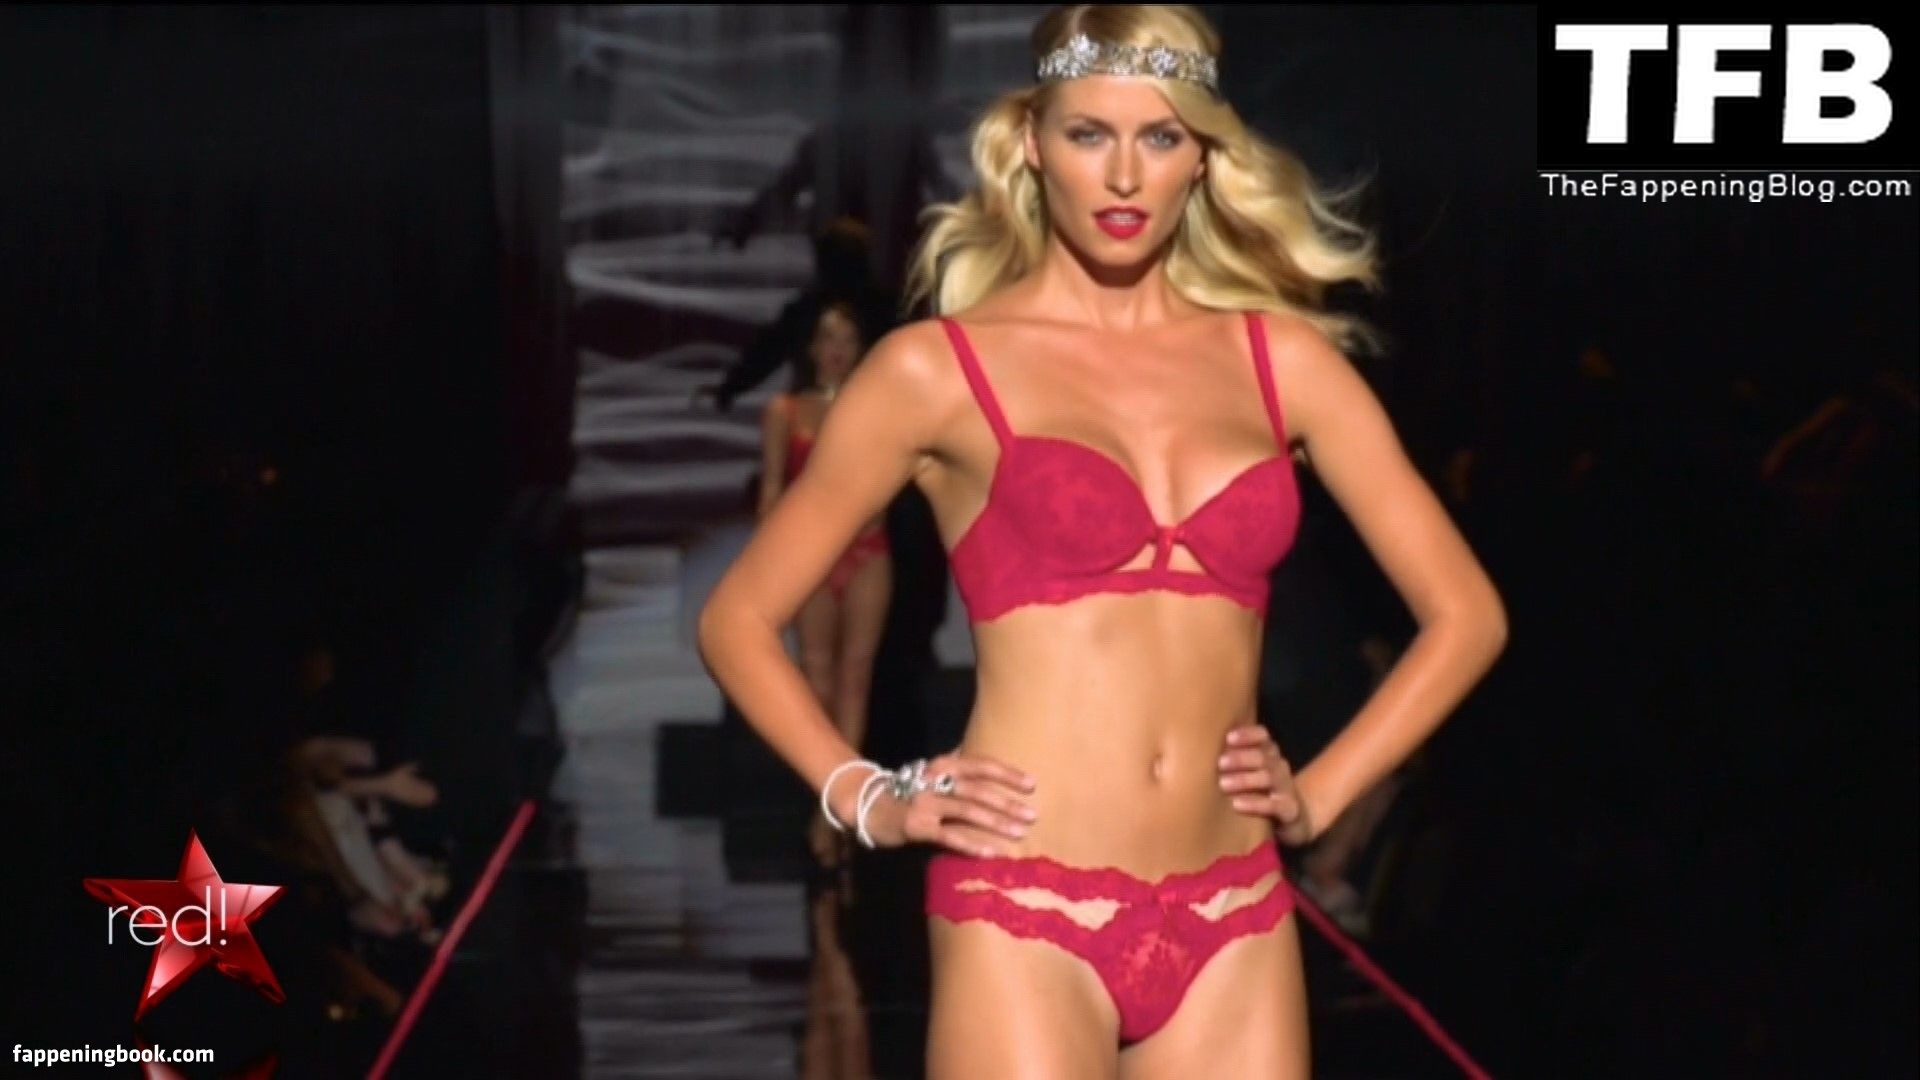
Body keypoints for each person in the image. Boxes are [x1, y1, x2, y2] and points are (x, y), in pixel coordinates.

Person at [697, 6, 1507, 1075]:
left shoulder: (1285, 364)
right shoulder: (937, 371)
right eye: (1090, 134)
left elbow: (1466, 615)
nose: (1124, 175)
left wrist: (1321, 792)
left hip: (1236, 912)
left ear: (1202, 155)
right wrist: (867, 798)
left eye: (1160, 136)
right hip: (1022, 906)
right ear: (1033, 142)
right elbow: (738, 619)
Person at [757, 300, 890, 1080]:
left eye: (848, 338)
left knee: (855, 678)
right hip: (810, 555)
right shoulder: (785, 410)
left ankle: (836, 810)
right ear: (811, 348)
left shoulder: (879, 405)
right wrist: (768, 568)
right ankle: (826, 800)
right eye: (827, 339)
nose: (837, 349)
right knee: (814, 679)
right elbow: (774, 492)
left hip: (867, 549)